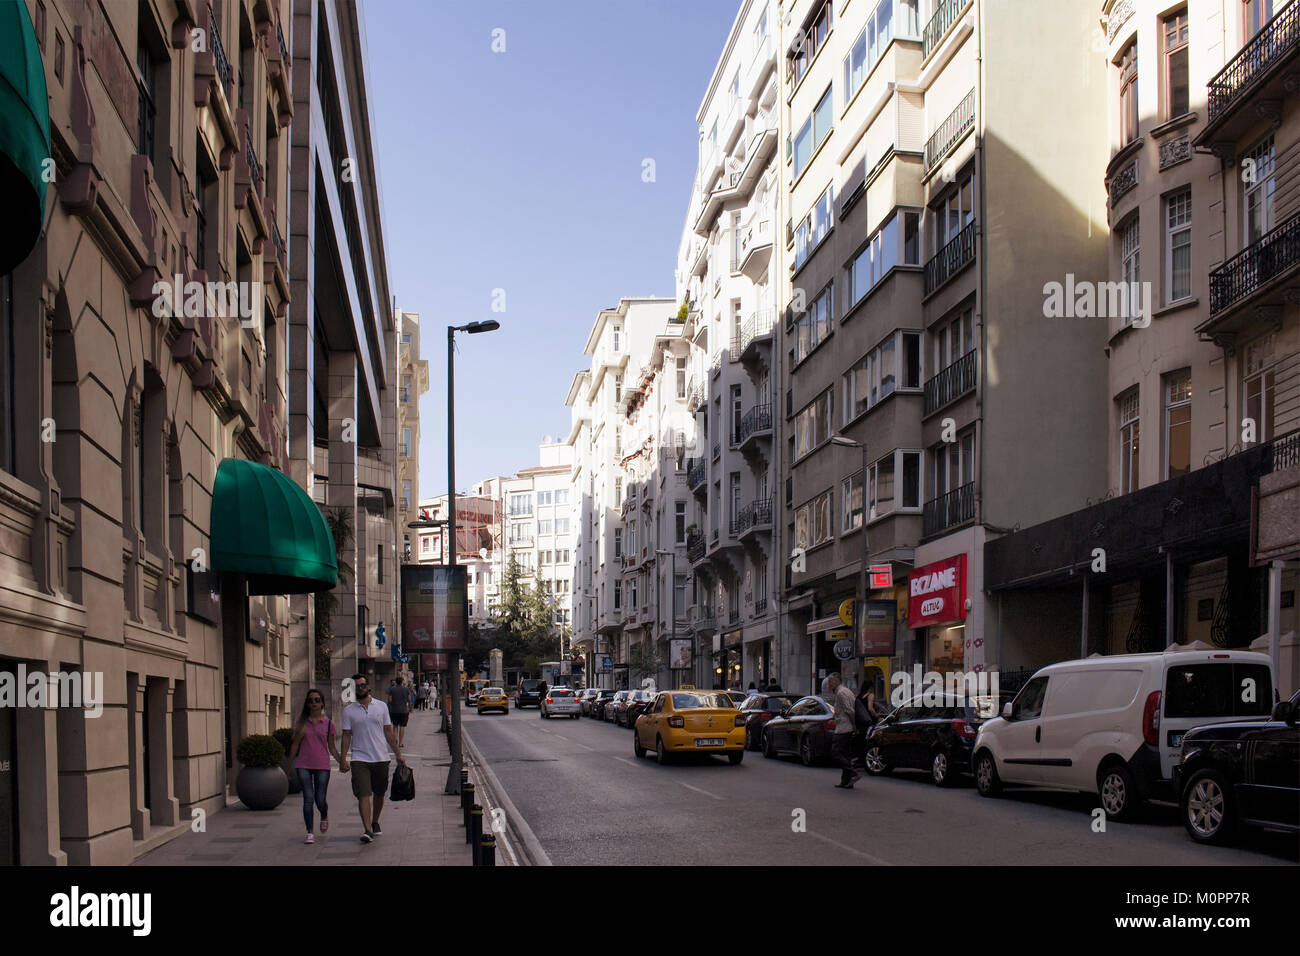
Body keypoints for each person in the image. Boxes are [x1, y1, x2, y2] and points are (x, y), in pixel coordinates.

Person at [340, 674, 406, 843]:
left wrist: (398, 754)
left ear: (368, 687)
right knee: (363, 794)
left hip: (381, 757)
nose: (360, 688)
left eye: (362, 685)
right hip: (359, 758)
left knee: (379, 793)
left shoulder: (382, 706)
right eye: (356, 686)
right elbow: (346, 735)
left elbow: (389, 732)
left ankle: (375, 821)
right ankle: (367, 829)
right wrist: (343, 758)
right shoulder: (348, 710)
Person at [287, 688, 343, 844]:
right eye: (311, 700)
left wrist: (341, 761)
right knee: (308, 798)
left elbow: (331, 747)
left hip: (322, 765)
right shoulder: (301, 723)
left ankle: (324, 814)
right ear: (307, 704)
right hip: (303, 764)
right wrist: (288, 767)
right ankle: (309, 832)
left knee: (320, 798)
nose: (314, 703)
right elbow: (295, 746)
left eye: (317, 700)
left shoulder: (329, 723)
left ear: (322, 703)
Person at [826, 674, 861, 789]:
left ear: (837, 681)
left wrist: (854, 725)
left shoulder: (841, 693)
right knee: (845, 754)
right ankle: (845, 781)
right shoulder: (847, 691)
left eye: (831, 681)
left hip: (844, 727)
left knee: (836, 752)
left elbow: (850, 711)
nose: (829, 684)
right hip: (845, 726)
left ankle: (853, 772)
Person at [387, 676, 412, 747]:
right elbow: (409, 699)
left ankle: (394, 742)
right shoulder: (406, 689)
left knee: (395, 726)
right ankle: (400, 743)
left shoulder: (392, 689)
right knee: (402, 726)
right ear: (402, 682)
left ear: (396, 682)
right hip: (404, 710)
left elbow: (389, 700)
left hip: (394, 710)